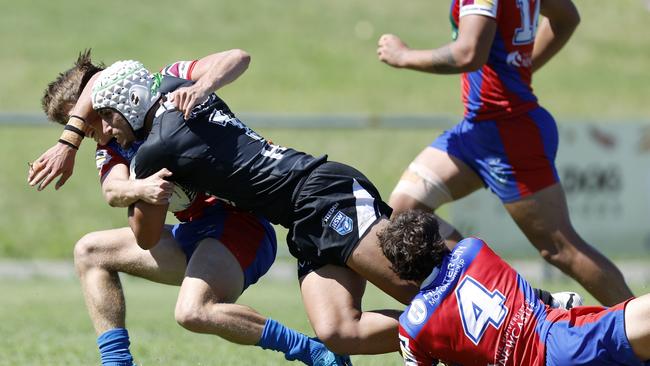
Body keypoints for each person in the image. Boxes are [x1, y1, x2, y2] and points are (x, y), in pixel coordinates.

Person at [88, 57, 582, 357]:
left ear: (130, 100)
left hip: (319, 194)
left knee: (422, 286)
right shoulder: (179, 94)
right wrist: (132, 186)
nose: (107, 130)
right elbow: (231, 57)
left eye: (107, 118)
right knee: (339, 331)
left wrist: (133, 191)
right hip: (300, 220)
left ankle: (537, 312)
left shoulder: (153, 148)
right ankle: (454, 342)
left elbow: (147, 237)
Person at [38, 50, 351, 366]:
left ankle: (316, 353)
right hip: (192, 232)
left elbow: (236, 58)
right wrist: (140, 188)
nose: (87, 131)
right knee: (89, 251)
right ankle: (117, 363)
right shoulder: (111, 147)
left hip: (239, 226)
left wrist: (203, 86)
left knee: (193, 311)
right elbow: (112, 190)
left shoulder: (165, 82)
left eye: (85, 119)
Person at [376, 0, 632, 306]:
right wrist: (518, 69)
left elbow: (468, 53)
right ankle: (517, 303)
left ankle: (643, 335)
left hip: (508, 131)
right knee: (406, 211)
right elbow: (567, 17)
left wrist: (403, 56)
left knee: (561, 249)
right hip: (478, 129)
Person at [378, 210, 650, 366]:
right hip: (559, 342)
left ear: (399, 269)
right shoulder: (472, 249)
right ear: (436, 241)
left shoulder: (413, 327)